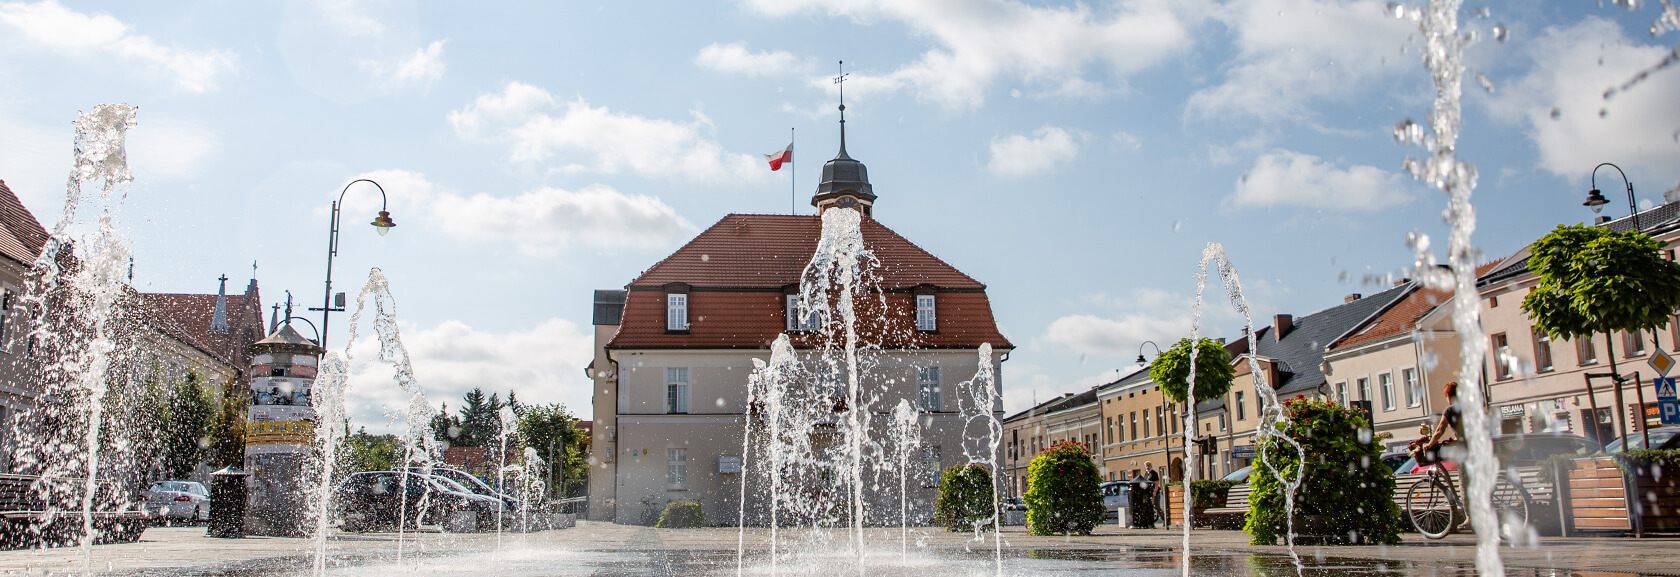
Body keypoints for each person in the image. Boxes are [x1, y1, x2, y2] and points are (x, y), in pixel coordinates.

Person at [1407, 381, 1463, 469]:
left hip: (1465, 449)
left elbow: (1440, 430)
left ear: (1448, 396)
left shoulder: (1450, 410)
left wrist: (1429, 444)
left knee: (1464, 478)